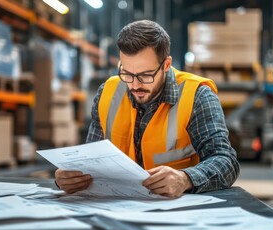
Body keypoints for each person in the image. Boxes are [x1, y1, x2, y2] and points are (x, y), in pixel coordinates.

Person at [55, 20, 239, 198]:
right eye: (126, 73)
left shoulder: (197, 96)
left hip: (177, 211)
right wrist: (71, 178)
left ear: (166, 65)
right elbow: (91, 161)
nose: (134, 85)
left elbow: (226, 161)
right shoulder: (107, 93)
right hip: (118, 207)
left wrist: (185, 179)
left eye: (145, 75)